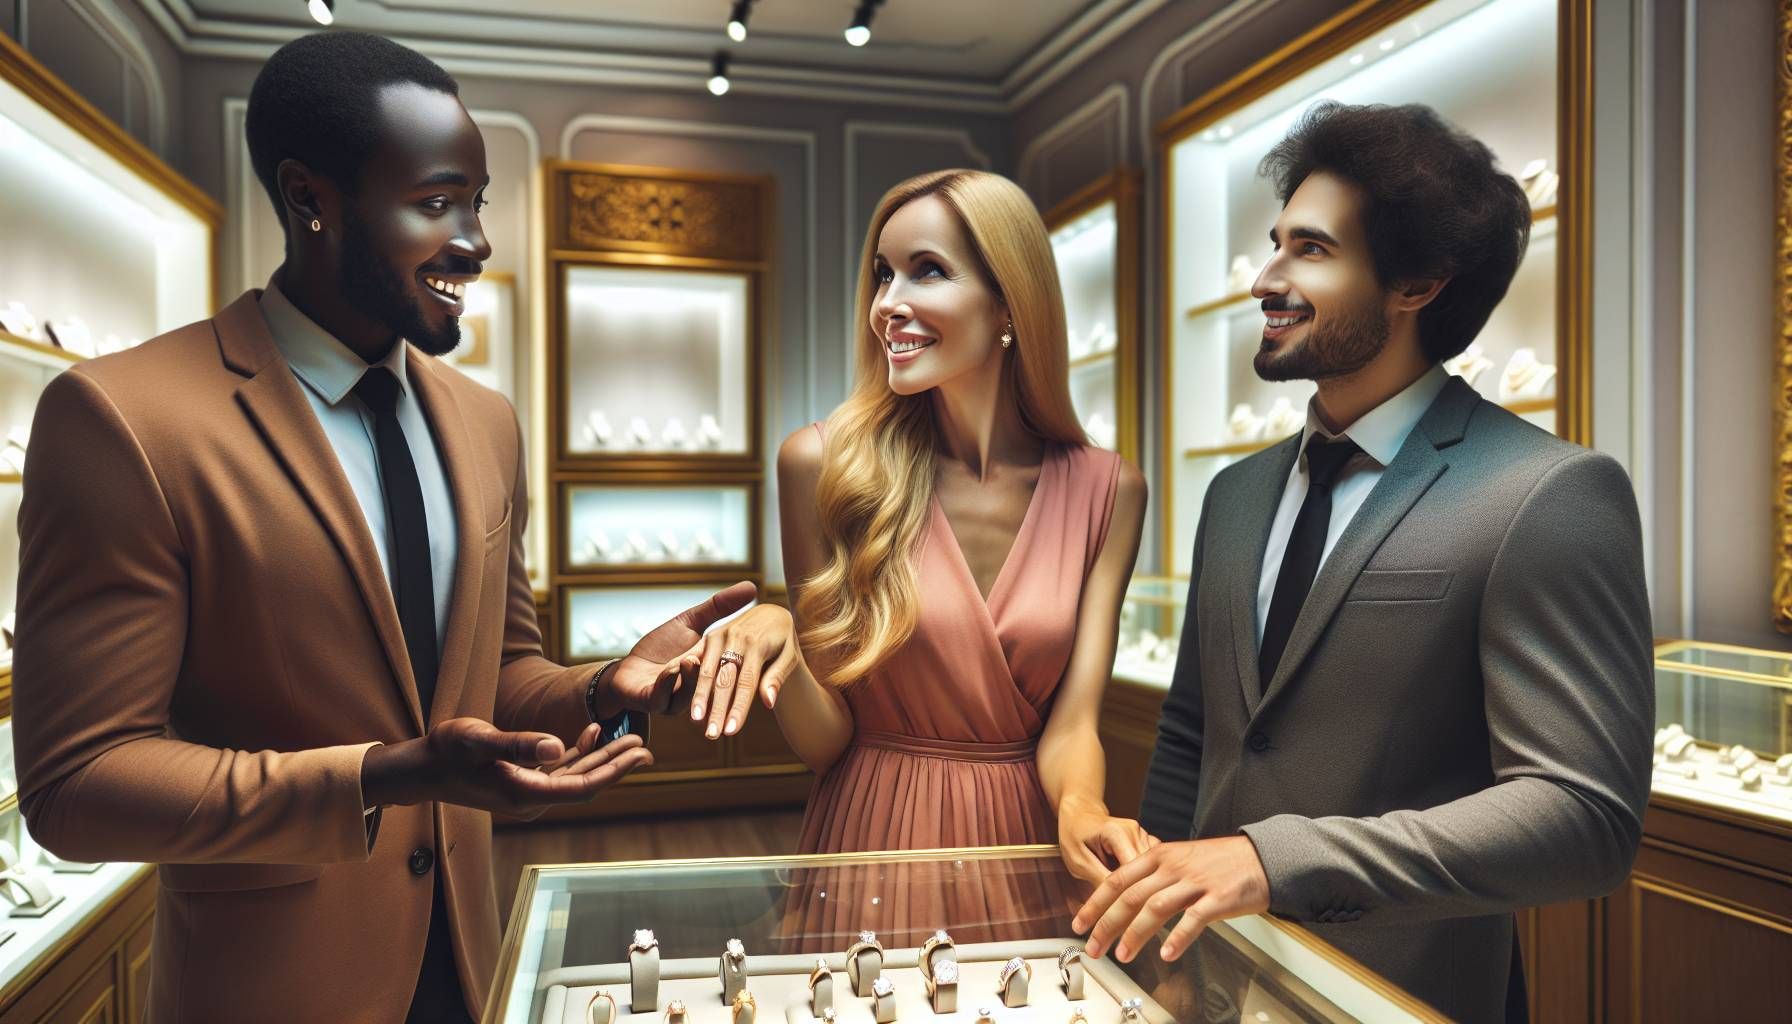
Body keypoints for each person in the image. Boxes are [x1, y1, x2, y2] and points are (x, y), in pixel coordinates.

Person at [10, 32, 786, 1023]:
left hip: (468, 957)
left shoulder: (484, 421)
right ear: (310, 199)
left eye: (477, 203)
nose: (474, 240)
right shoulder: (124, 417)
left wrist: (600, 683)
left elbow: (496, 675)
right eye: (435, 202)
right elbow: (79, 782)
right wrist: (383, 776)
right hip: (270, 986)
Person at [1071, 102, 1653, 1024]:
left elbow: (1583, 817)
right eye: (1274, 244)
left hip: (1403, 992)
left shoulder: (1547, 493)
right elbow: (1197, 733)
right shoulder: (1233, 497)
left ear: (1417, 282)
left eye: (1310, 249)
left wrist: (1273, 859)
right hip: (1211, 981)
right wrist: (1154, 939)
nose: (1265, 277)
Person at [691, 169, 1150, 944]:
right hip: (873, 835)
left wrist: (1083, 807)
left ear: (1010, 303)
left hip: (1025, 844)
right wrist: (783, 641)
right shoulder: (820, 464)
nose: (887, 304)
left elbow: (1072, 725)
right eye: (882, 275)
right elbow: (825, 739)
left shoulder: (1110, 489)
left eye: (926, 270)